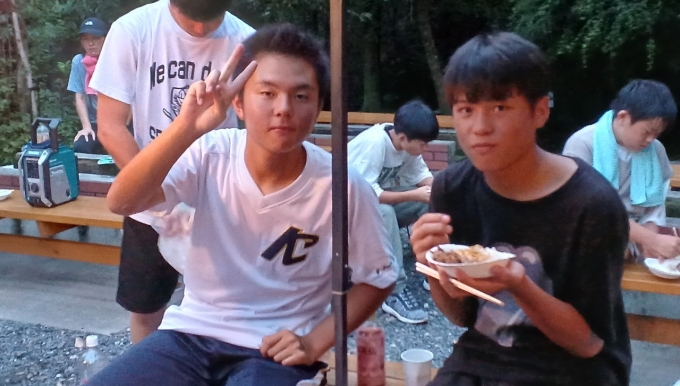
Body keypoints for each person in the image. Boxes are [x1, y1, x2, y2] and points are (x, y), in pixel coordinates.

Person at [88, 24, 397, 386]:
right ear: (238, 102)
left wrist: (314, 342)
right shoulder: (210, 154)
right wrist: (186, 128)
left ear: (318, 107)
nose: (283, 109)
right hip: (191, 333)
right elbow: (122, 201)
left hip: (273, 349)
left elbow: (378, 278)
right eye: (267, 93)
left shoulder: (343, 187)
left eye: (301, 96)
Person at [410, 32, 631, 385]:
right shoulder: (452, 189)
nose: (480, 128)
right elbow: (461, 315)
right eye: (466, 110)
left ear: (539, 111)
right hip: (483, 359)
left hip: (573, 369)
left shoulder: (592, 204)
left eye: (500, 107)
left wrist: (520, 286)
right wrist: (431, 265)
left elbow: (588, 344)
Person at [90, 0, 255, 343]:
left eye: (210, 20)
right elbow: (110, 126)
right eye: (189, 18)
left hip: (219, 202)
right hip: (149, 203)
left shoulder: (246, 43)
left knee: (226, 311)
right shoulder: (133, 31)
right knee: (146, 310)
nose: (200, 30)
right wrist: (154, 193)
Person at [563, 79, 680, 262]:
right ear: (623, 117)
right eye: (647, 132)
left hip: (635, 237)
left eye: (657, 134)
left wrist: (650, 237)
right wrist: (651, 239)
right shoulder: (582, 144)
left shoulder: (656, 150)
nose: (651, 139)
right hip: (589, 235)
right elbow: (589, 210)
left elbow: (656, 202)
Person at [348, 100, 438, 324]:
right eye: (423, 144)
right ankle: (393, 290)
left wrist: (437, 191)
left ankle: (433, 270)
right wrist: (414, 194)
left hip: (369, 203)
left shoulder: (407, 145)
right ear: (403, 138)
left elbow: (421, 175)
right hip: (342, 209)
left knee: (431, 203)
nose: (425, 148)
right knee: (385, 212)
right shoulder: (374, 143)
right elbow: (367, 194)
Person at [67, 17, 108, 154]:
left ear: (105, 38)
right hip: (95, 122)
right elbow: (80, 96)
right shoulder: (79, 61)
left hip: (119, 120)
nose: (91, 43)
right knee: (81, 147)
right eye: (85, 39)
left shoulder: (116, 58)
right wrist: (86, 127)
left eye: (96, 38)